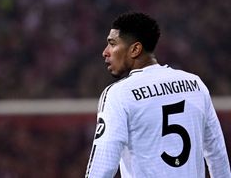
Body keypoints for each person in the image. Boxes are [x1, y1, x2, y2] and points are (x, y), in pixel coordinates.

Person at [85, 12, 231, 178]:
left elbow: (103, 165)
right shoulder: (195, 84)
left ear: (135, 49)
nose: (105, 52)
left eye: (112, 44)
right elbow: (217, 152)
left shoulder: (118, 94)